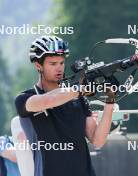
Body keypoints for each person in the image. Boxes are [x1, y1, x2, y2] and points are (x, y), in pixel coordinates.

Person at [14, 36, 115, 176]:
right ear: (38, 65)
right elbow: (48, 100)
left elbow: (97, 140)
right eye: (53, 64)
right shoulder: (24, 99)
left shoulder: (78, 99)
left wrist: (110, 101)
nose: (59, 68)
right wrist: (80, 89)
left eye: (61, 63)